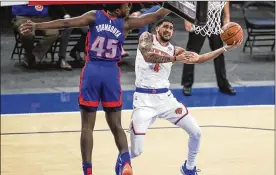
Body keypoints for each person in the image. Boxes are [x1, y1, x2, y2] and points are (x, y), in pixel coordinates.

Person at [19, 3, 170, 175]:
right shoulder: (126, 23)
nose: (130, 6)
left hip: (92, 73)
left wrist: (37, 26)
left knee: (87, 127)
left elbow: (66, 23)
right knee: (116, 125)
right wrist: (177, 6)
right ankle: (126, 162)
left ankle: (88, 171)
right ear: (117, 10)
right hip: (111, 74)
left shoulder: (93, 16)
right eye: (126, 5)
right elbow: (156, 16)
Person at [129, 18, 242, 175]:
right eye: (165, 27)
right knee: (136, 152)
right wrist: (174, 59)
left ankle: (189, 168)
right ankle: (123, 159)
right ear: (157, 29)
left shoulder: (176, 50)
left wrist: (224, 48)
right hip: (144, 100)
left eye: (171, 28)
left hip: (166, 100)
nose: (168, 30)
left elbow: (199, 58)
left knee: (196, 133)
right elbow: (148, 56)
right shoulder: (147, 37)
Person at [181, 2, 236, 96]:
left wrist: (227, 15)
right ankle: (187, 84)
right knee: (192, 51)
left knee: (219, 51)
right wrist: (186, 18)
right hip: (198, 13)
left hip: (215, 15)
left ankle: (223, 84)